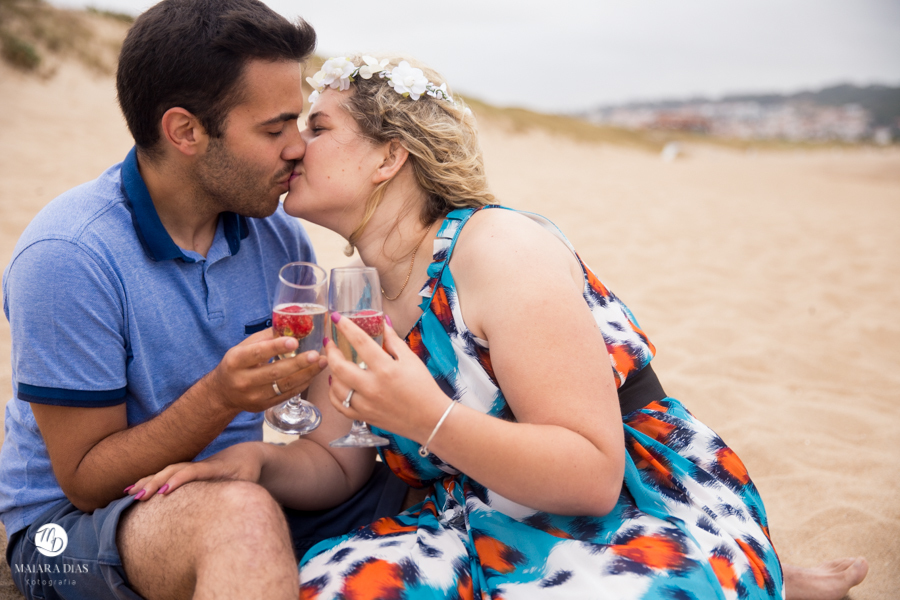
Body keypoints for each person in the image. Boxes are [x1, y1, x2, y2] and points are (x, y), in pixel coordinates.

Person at [128, 56, 869, 599]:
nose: (293, 147)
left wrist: (425, 416)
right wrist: (258, 465)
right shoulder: (346, 294)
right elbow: (341, 463)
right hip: (473, 510)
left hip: (629, 497)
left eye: (317, 127)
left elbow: (590, 475)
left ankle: (754, 572)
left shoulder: (494, 248)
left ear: (390, 155)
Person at [0, 4, 409, 600]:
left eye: (298, 123)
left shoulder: (274, 231)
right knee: (239, 518)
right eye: (274, 130)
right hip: (72, 530)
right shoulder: (69, 255)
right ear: (186, 132)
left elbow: (319, 417)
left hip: (232, 484)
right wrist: (220, 399)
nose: (297, 148)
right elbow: (86, 481)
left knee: (426, 481)